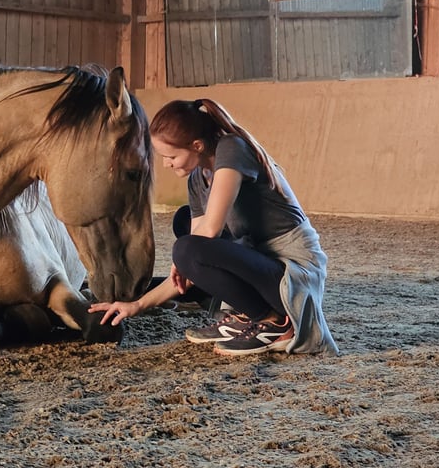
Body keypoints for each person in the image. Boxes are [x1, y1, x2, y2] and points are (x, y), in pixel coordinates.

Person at [88, 98, 339, 356]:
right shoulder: (198, 179)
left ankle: (274, 322)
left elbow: (208, 234)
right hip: (260, 262)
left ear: (196, 145)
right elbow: (191, 261)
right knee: (185, 222)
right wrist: (137, 304)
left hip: (291, 272)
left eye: (171, 156)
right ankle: (243, 313)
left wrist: (181, 261)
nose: (166, 164)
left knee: (187, 248)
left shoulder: (232, 148)